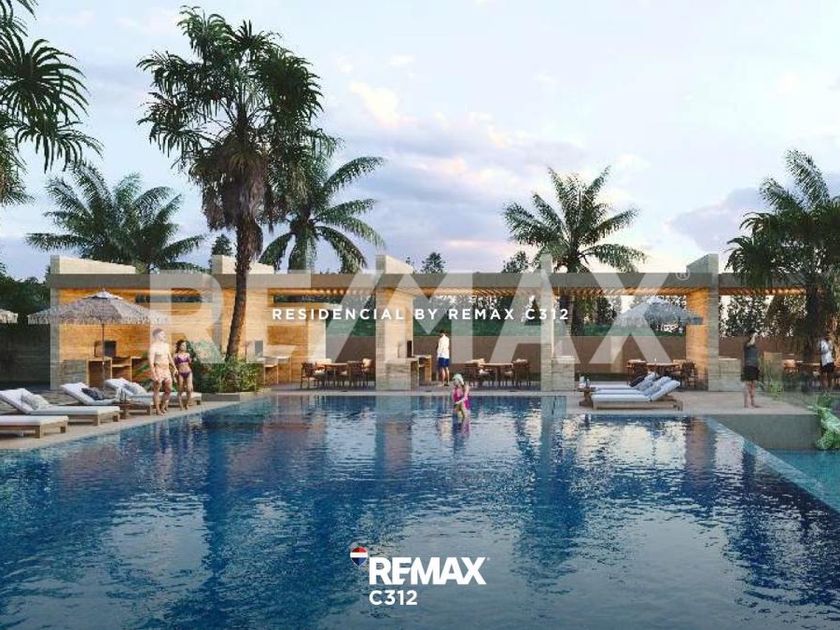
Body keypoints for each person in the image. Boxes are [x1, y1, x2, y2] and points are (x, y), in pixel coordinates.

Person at [148, 328, 175, 415]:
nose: (164, 335)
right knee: (157, 390)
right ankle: (158, 410)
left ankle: (162, 406)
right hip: (158, 369)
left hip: (166, 369)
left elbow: (169, 357)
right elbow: (151, 362)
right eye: (162, 334)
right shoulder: (153, 347)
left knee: (169, 389)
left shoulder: (166, 345)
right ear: (157, 335)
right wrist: (154, 374)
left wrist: (174, 367)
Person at [742, 328, 760, 408]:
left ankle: (753, 403)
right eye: (754, 334)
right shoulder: (746, 343)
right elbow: (751, 342)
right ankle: (746, 403)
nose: (755, 336)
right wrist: (753, 336)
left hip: (755, 367)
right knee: (747, 384)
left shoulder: (755, 346)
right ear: (750, 335)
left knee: (753, 385)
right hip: (748, 366)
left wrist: (758, 365)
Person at [173, 339, 194, 409]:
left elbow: (190, 363)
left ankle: (187, 404)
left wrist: (191, 360)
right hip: (180, 373)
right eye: (183, 345)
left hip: (188, 372)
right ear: (179, 346)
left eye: (185, 345)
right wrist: (174, 376)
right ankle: (181, 405)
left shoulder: (188, 354)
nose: (185, 347)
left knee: (189, 389)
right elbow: (173, 366)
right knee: (180, 390)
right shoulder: (175, 355)